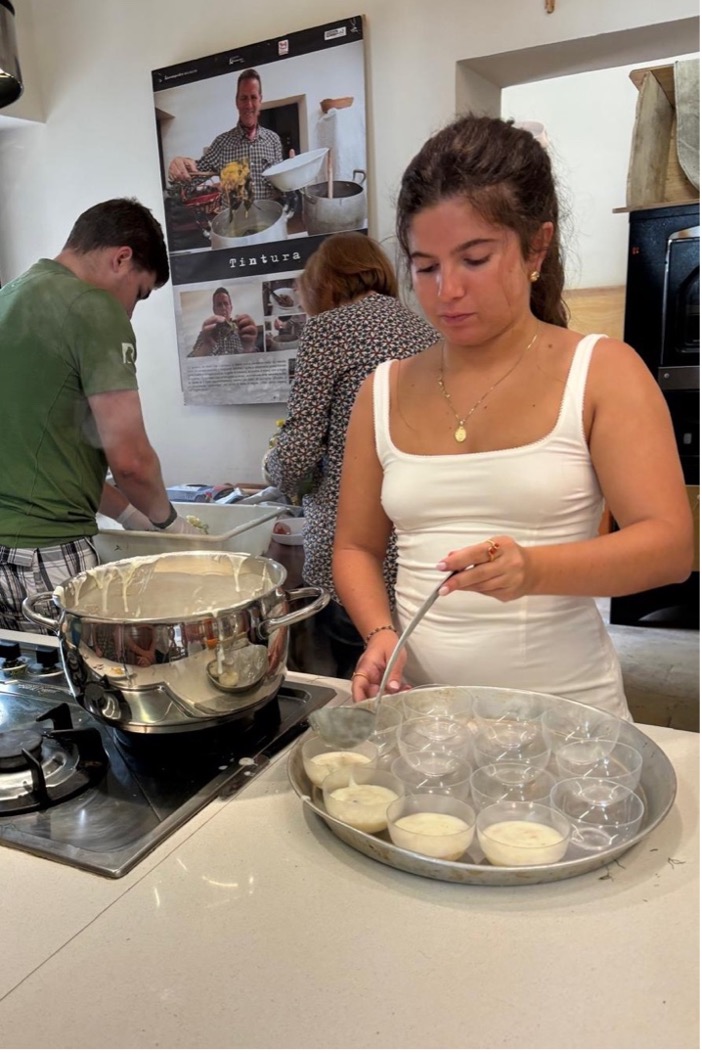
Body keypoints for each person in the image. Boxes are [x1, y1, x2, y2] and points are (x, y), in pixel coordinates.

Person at [333, 115, 694, 719]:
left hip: (568, 719)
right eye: (425, 267)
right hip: (428, 716)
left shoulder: (602, 372)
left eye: (473, 259)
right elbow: (356, 546)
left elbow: (669, 546)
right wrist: (378, 633)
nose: (447, 290)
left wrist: (535, 568)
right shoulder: (382, 392)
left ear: (537, 246)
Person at [0, 197, 203, 632]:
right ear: (121, 258)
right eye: (139, 293)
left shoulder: (9, 297)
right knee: (89, 693)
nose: (130, 309)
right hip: (44, 555)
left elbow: (50, 454)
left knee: (22, 694)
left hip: (6, 557)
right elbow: (130, 461)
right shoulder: (95, 308)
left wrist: (129, 515)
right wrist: (173, 525)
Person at [264, 232, 437, 677]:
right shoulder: (426, 330)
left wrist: (273, 471)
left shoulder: (328, 329)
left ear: (324, 282)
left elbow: (300, 448)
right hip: (417, 540)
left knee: (348, 677)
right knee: (407, 673)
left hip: (349, 540)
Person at [167, 69, 283, 202]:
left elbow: (280, 186)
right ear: (237, 102)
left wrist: (293, 174)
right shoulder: (221, 144)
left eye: (253, 97)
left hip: (269, 219)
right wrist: (177, 170)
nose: (249, 105)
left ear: (260, 100)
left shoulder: (273, 140)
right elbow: (189, 182)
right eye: (243, 98)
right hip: (236, 222)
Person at [189, 287, 258, 356]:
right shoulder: (206, 334)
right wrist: (206, 347)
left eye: (226, 303)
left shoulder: (243, 331)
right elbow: (190, 359)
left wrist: (249, 348)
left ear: (231, 307)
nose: (223, 308)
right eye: (219, 305)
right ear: (214, 309)